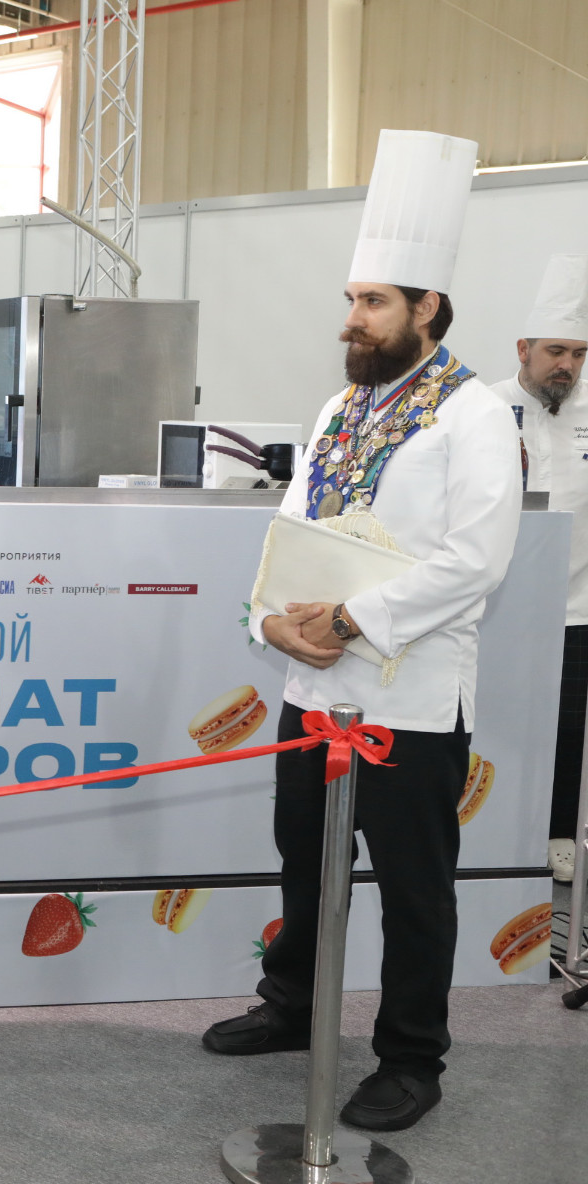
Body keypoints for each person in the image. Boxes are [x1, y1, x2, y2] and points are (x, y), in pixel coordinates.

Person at [203, 131, 522, 1132]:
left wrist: (349, 618)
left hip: (411, 699)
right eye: (351, 299)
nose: (352, 318)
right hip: (312, 689)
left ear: (428, 307)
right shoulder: (340, 409)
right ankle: (293, 1005)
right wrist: (271, 619)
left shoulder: (474, 415)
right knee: (304, 862)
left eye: (374, 301)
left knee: (415, 888)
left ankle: (412, 1059)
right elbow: (288, 532)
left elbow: (475, 563)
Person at [485, 252, 588, 883]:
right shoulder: (482, 409)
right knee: (496, 725)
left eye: (579, 354)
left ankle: (558, 835)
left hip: (577, 605)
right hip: (497, 606)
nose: (567, 366)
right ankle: (492, 831)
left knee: (567, 729)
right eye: (556, 351)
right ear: (523, 350)